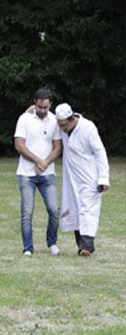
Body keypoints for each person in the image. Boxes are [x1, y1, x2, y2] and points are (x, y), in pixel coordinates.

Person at [55, 103, 110, 256]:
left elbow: (100, 151)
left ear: (72, 119)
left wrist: (103, 178)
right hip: (72, 177)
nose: (62, 128)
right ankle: (81, 246)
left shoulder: (88, 128)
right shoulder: (62, 128)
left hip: (89, 177)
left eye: (64, 125)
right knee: (75, 210)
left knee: (88, 210)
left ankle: (87, 247)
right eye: (59, 125)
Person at [14, 88, 62, 256]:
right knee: (27, 212)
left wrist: (45, 162)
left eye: (46, 108)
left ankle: (52, 242)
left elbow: (58, 147)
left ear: (50, 105)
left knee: (54, 210)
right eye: (40, 107)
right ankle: (28, 247)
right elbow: (19, 145)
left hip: (48, 174)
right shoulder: (24, 119)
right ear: (35, 102)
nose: (42, 111)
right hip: (27, 174)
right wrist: (37, 161)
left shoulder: (55, 121)